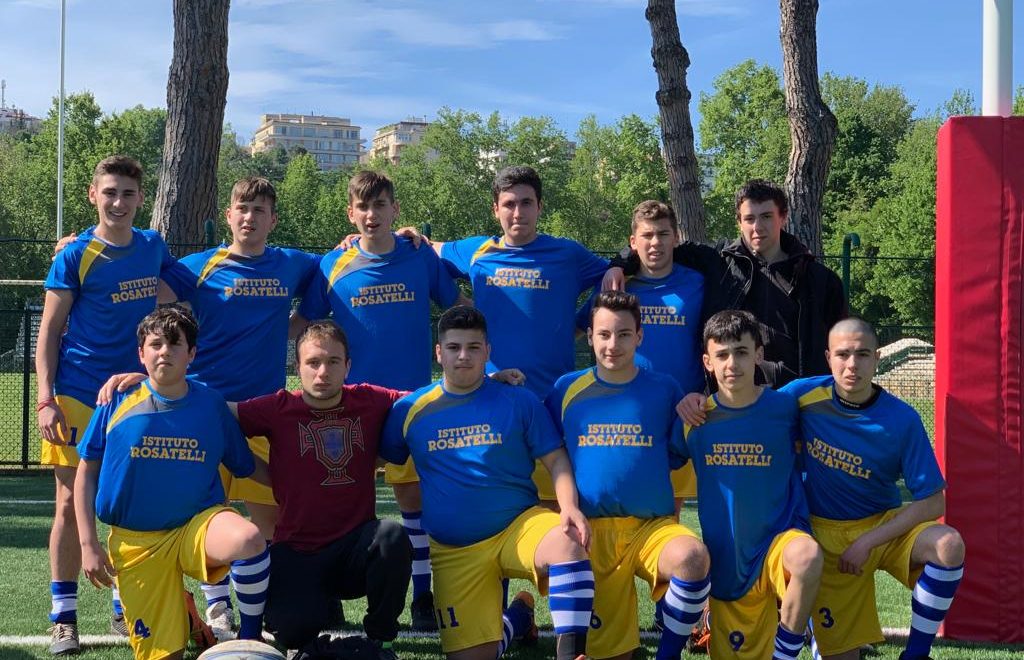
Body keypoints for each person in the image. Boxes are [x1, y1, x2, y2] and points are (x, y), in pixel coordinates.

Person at [293, 170, 463, 630]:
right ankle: (331, 595)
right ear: (351, 213)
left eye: (380, 205)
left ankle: (423, 598)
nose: (372, 214)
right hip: (350, 406)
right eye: (363, 207)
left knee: (413, 502)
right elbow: (306, 325)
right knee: (341, 501)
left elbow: (456, 309)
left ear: (395, 209)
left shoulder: (418, 255)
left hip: (411, 403)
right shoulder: (332, 264)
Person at [380, 306, 594, 660]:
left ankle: (572, 655)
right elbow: (374, 458)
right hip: (456, 550)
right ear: (439, 353)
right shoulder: (410, 410)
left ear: (487, 351)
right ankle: (519, 616)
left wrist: (569, 507)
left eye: (473, 347)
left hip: (518, 528)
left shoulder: (519, 399)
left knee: (568, 540)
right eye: (454, 347)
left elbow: (556, 458)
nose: (463, 356)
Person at [159, 176, 320, 636]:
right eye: (242, 209)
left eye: (259, 210)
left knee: (270, 515)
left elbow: (337, 266)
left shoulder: (293, 264)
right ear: (228, 216)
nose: (250, 218)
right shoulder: (198, 267)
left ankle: (266, 606)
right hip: (207, 411)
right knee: (206, 511)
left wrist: (286, 330)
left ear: (273, 219)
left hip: (263, 413)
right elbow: (140, 287)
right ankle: (216, 605)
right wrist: (79, 244)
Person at [35, 155, 181, 654]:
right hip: (77, 393)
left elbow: (187, 284)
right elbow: (49, 332)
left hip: (132, 395)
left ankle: (124, 606)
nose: (119, 202)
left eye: (128, 194)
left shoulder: (153, 245)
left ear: (141, 199)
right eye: (110, 192)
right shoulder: (74, 254)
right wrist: (46, 399)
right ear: (93, 195)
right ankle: (63, 618)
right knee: (67, 503)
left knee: (126, 499)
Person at [73, 306, 271, 660]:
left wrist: (297, 488)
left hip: (196, 527)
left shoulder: (211, 404)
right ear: (141, 354)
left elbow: (246, 465)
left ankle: (250, 636)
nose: (164, 351)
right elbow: (85, 473)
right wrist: (88, 544)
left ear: (191, 353)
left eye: (175, 344)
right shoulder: (115, 399)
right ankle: (185, 615)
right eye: (156, 344)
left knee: (249, 538)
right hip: (136, 542)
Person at [780, 318, 965, 660]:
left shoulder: (902, 419)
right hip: (825, 537)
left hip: (883, 527)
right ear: (828, 358)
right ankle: (820, 634)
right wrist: (696, 403)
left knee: (948, 545)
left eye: (863, 354)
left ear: (877, 358)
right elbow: (752, 412)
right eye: (843, 354)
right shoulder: (800, 396)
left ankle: (916, 654)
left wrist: (867, 542)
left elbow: (933, 502)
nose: (852, 364)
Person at [550, 291, 711, 660]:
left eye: (624, 334)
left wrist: (694, 402)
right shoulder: (565, 390)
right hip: (592, 533)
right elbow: (545, 448)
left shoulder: (665, 388)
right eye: (604, 334)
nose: (613, 344)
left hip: (650, 528)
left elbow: (678, 449)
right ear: (590, 337)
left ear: (640, 336)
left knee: (693, 556)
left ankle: (667, 655)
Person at [605, 179, 846, 388]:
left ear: (783, 217)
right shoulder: (718, 262)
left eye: (766, 216)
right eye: (749, 218)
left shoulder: (819, 280)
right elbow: (656, 243)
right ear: (739, 221)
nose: (757, 227)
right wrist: (619, 264)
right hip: (732, 398)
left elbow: (840, 346)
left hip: (800, 399)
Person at [680, 310, 822, 659]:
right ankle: (708, 621)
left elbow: (839, 385)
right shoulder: (695, 419)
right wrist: (684, 400)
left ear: (759, 354)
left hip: (779, 544)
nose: (732, 363)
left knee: (807, 556)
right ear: (707, 362)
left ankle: (787, 652)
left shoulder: (787, 407)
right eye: (722, 355)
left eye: (742, 352)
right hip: (727, 561)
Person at [576, 200, 705, 514]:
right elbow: (577, 330)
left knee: (667, 514)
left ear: (676, 238)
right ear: (633, 242)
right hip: (622, 413)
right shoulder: (616, 286)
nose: (655, 242)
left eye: (663, 234)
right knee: (609, 502)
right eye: (647, 235)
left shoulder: (698, 283)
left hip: (680, 414)